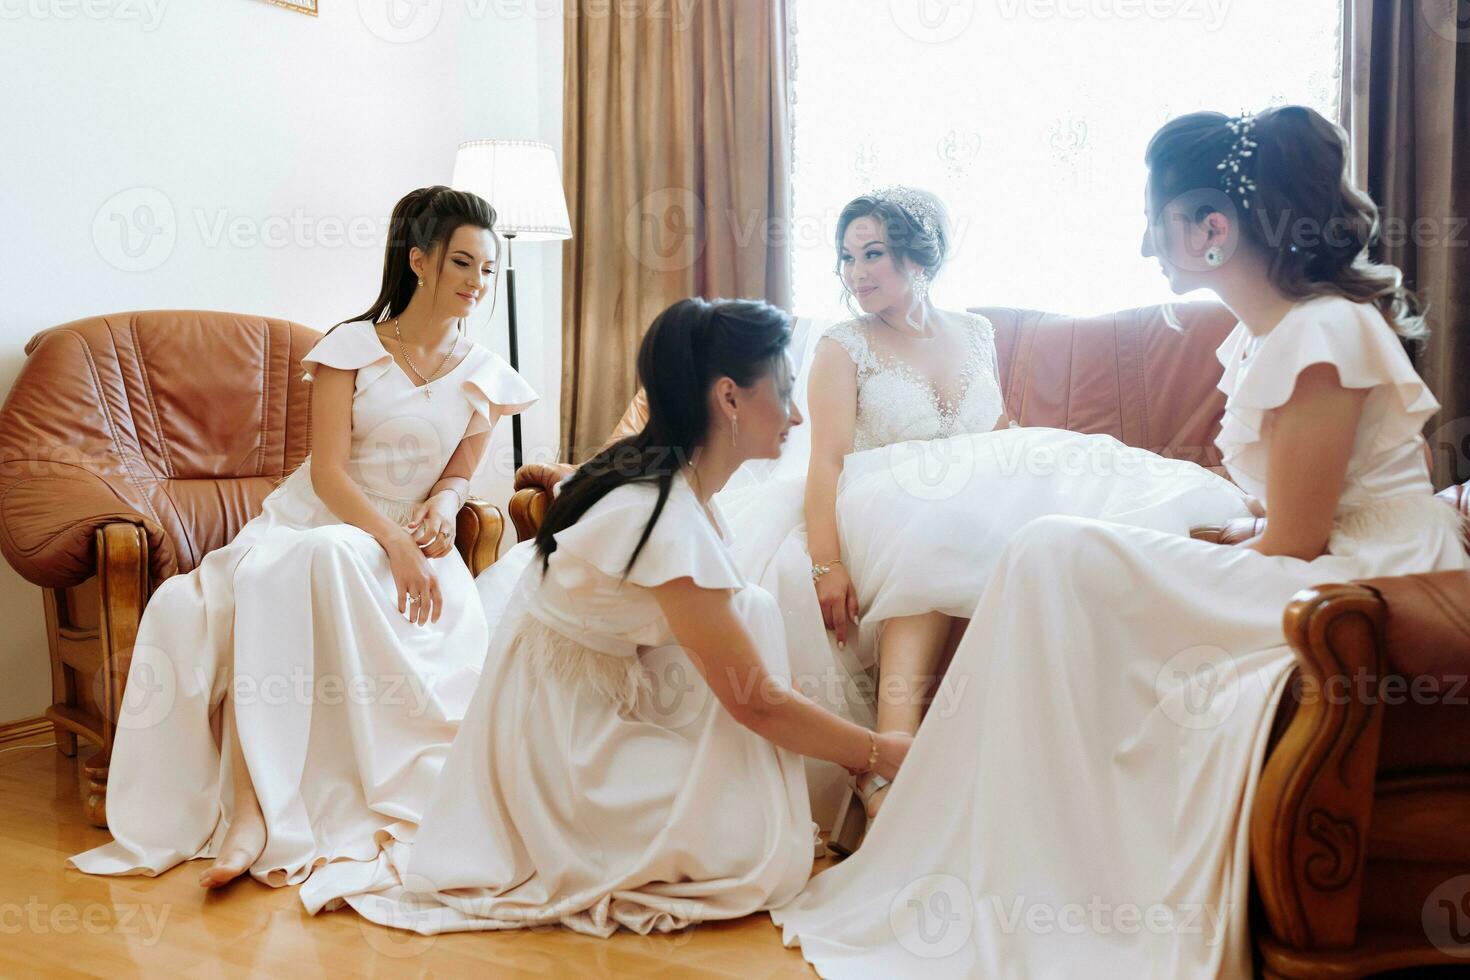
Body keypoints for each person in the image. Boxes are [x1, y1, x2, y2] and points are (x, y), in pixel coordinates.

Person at [769, 106, 1469, 978]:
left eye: (1157, 221)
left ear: (1213, 230)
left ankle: (1011, 850)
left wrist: (1223, 539)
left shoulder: (1322, 332)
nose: (1147, 245)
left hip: (1367, 579)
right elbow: (1294, 515)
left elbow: (1301, 534)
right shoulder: (1279, 335)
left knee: (1057, 553)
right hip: (1322, 557)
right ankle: (991, 836)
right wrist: (1234, 531)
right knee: (1056, 553)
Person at [299, 297, 914, 936]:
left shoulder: (665, 479)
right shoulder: (662, 513)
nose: (796, 413)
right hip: (560, 753)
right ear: (728, 399)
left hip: (575, 712)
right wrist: (879, 750)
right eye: (783, 391)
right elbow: (755, 701)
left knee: (761, 693)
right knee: (754, 845)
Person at [719, 187, 1255, 849]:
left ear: (921, 258)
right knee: (935, 520)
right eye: (848, 257)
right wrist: (826, 563)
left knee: (1046, 478)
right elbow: (825, 461)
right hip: (873, 498)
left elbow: (995, 430)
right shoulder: (842, 346)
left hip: (954, 495)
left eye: (873, 253)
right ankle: (887, 769)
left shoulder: (976, 332)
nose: (856, 273)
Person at [69, 185, 537, 890]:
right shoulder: (352, 348)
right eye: (463, 263)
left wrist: (441, 509)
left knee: (314, 575)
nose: (478, 283)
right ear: (419, 262)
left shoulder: (484, 377)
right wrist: (395, 544)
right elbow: (328, 474)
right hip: (320, 520)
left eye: (487, 269)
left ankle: (275, 804)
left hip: (405, 545)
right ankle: (253, 811)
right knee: (249, 584)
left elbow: (459, 475)